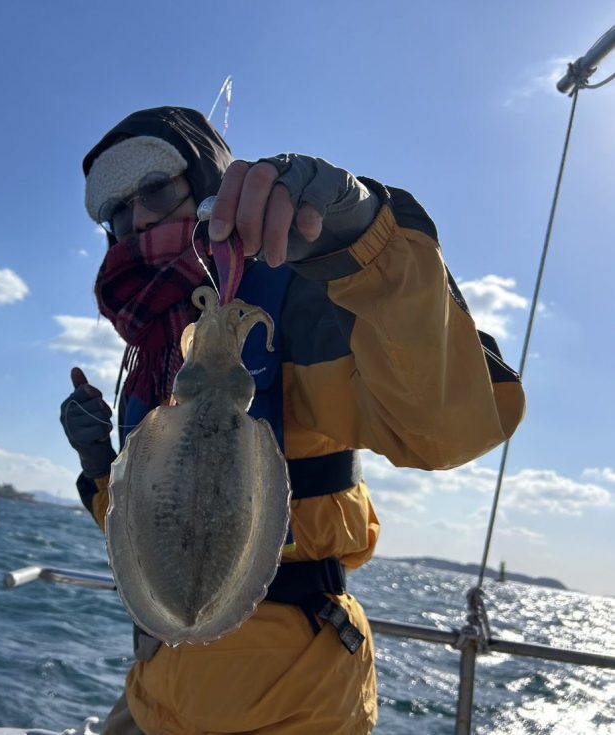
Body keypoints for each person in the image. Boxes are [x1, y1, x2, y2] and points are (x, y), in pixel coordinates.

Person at [60, 106, 525, 735]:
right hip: (156, 685)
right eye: (116, 211)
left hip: (292, 695)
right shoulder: (152, 342)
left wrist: (362, 244)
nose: (137, 217)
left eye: (156, 188)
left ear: (207, 183)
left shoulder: (305, 293)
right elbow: (156, 519)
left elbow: (447, 426)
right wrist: (97, 467)